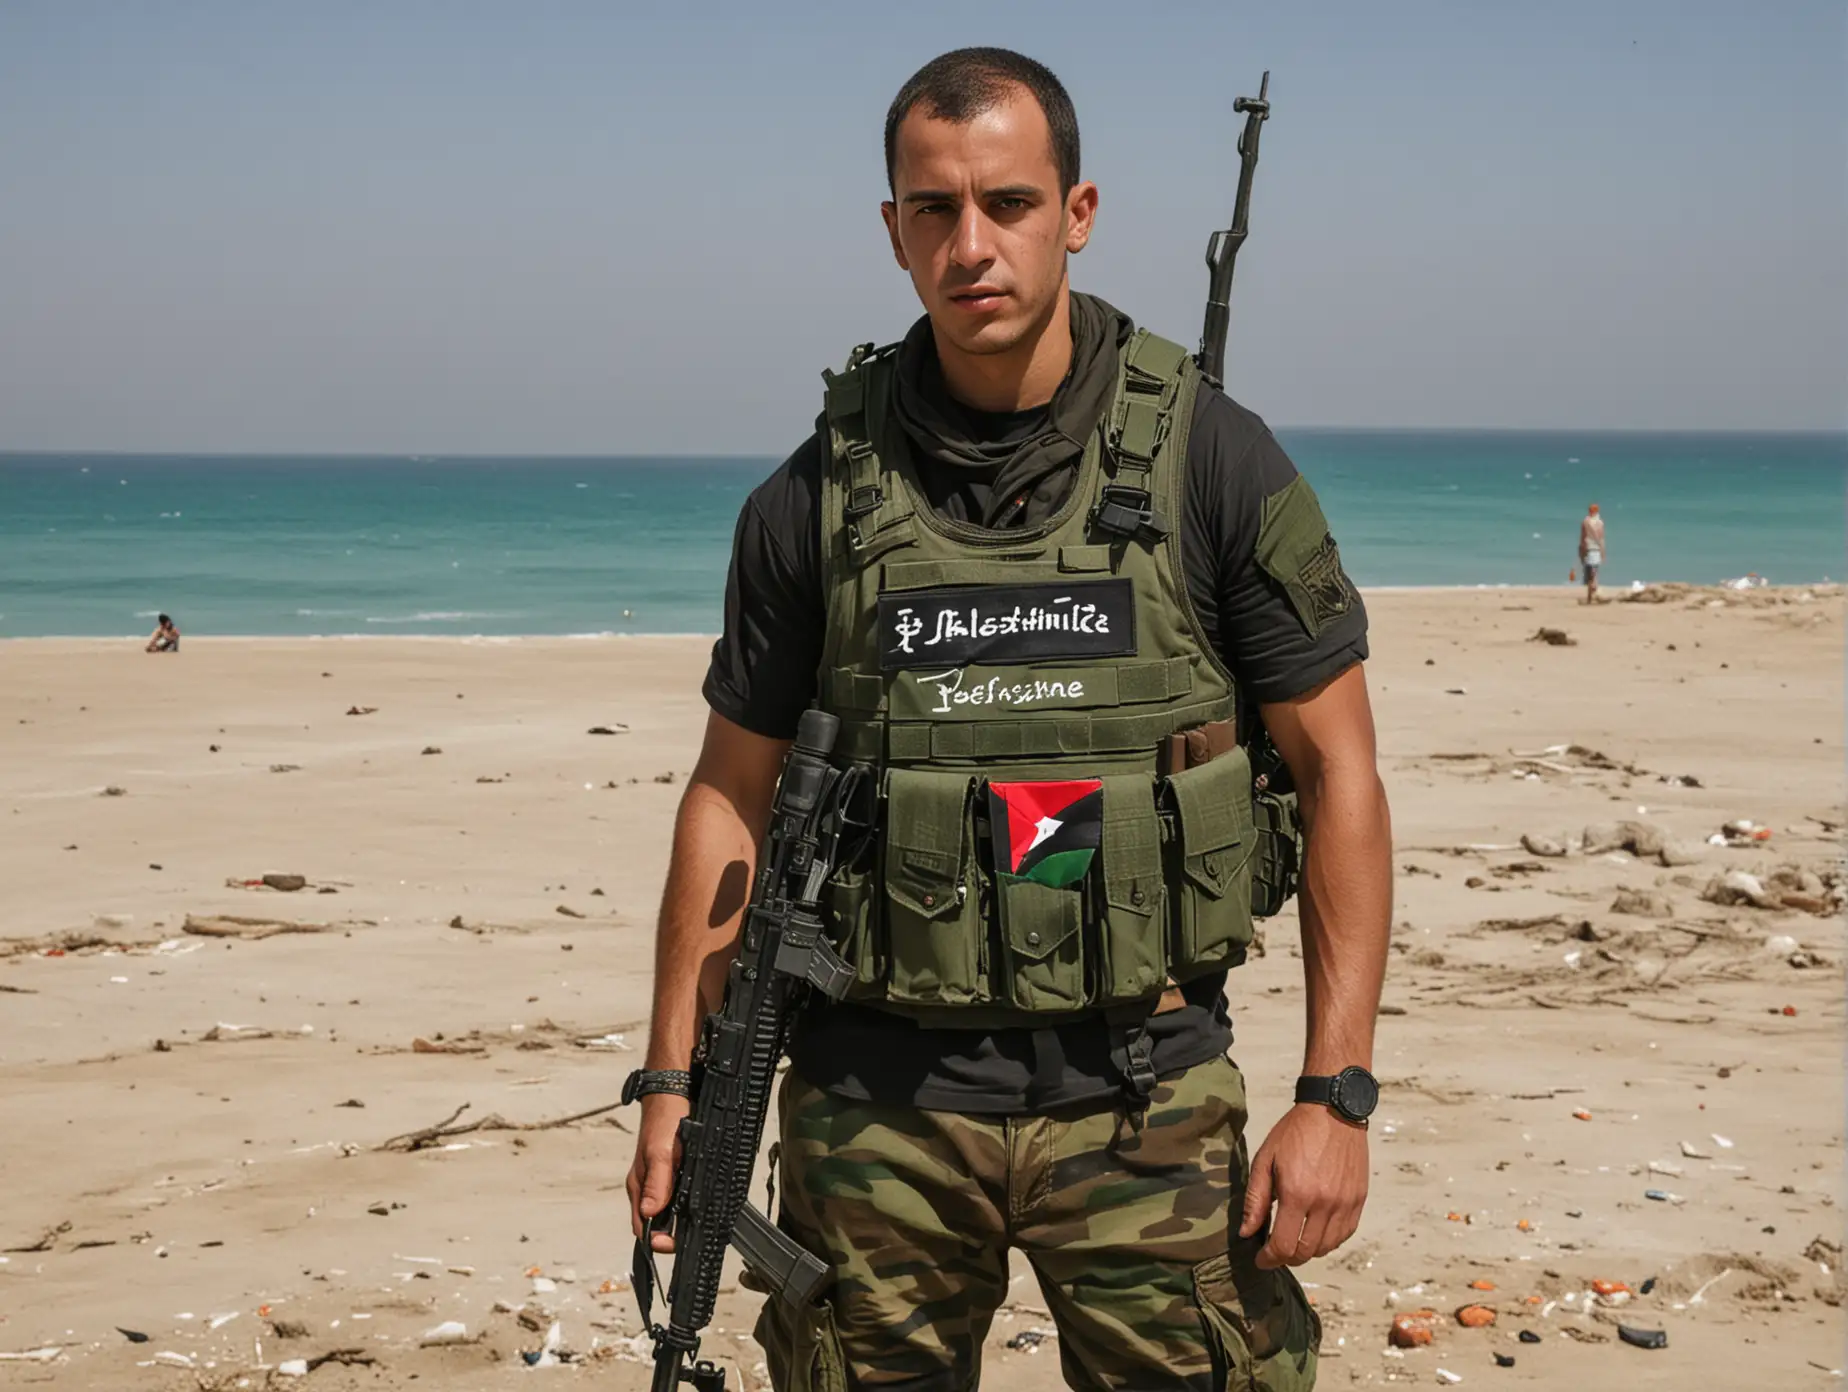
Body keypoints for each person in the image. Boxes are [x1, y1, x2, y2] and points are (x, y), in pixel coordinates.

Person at [626, 48, 1391, 1391]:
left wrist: (1335, 1096)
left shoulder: (1217, 458)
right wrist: (673, 1087)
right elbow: (727, 794)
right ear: (893, 230)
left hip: (1148, 1091)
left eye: (1011, 204)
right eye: (935, 209)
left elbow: (1341, 775)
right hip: (875, 1117)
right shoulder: (811, 500)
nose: (972, 245)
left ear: (1078, 212)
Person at [1578, 503, 1606, 603]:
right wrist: (1603, 552)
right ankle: (1592, 596)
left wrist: (1580, 550)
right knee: (1594, 574)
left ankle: (1591, 597)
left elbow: (1583, 537)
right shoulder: (1600, 522)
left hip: (1588, 549)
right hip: (1597, 549)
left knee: (1590, 575)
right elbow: (1602, 538)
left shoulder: (1586, 521)